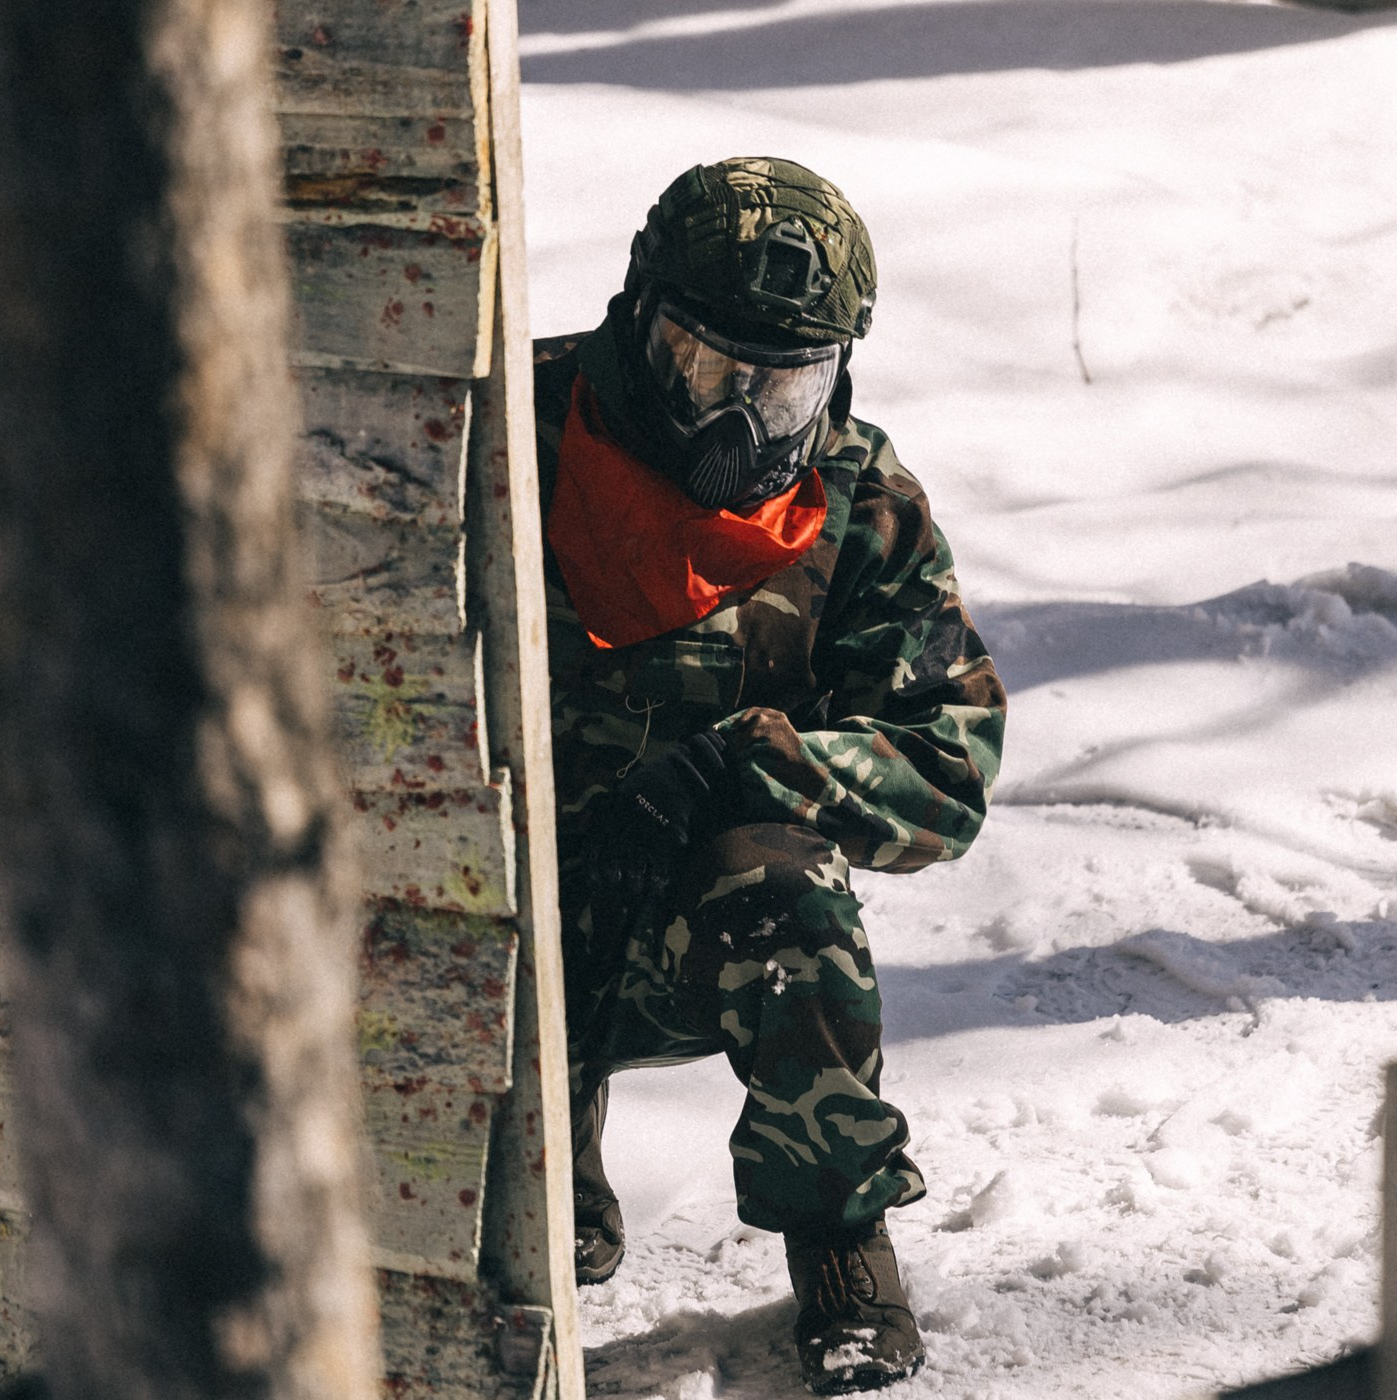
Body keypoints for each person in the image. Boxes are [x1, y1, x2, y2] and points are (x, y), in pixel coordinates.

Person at [533, 157, 1006, 1394]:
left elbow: (948, 762)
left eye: (781, 385)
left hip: (691, 920)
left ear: (835, 373)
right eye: (709, 369)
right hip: (493, 896)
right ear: (642, 322)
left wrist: (761, 763)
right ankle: (540, 1158)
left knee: (787, 892)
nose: (739, 417)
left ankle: (843, 1237)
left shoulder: (859, 503)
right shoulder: (513, 433)